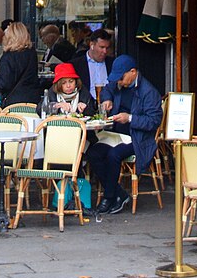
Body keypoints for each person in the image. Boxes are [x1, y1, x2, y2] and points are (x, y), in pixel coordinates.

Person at [89, 55, 163, 215]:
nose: (119, 82)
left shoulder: (149, 92)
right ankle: (120, 194)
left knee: (113, 155)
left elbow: (154, 121)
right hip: (115, 134)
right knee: (93, 154)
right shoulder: (119, 84)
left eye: (121, 78)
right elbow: (107, 89)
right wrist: (106, 100)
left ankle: (109, 197)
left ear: (133, 72)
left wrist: (129, 118)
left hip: (138, 138)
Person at [0, 22, 41, 106]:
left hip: (13, 103)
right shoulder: (32, 53)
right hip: (32, 100)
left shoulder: (8, 56)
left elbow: (3, 84)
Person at [70, 29, 115, 102]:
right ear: (92, 45)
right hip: (85, 106)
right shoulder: (76, 65)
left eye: (107, 48)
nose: (105, 51)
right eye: (102, 47)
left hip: (109, 106)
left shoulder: (112, 63)